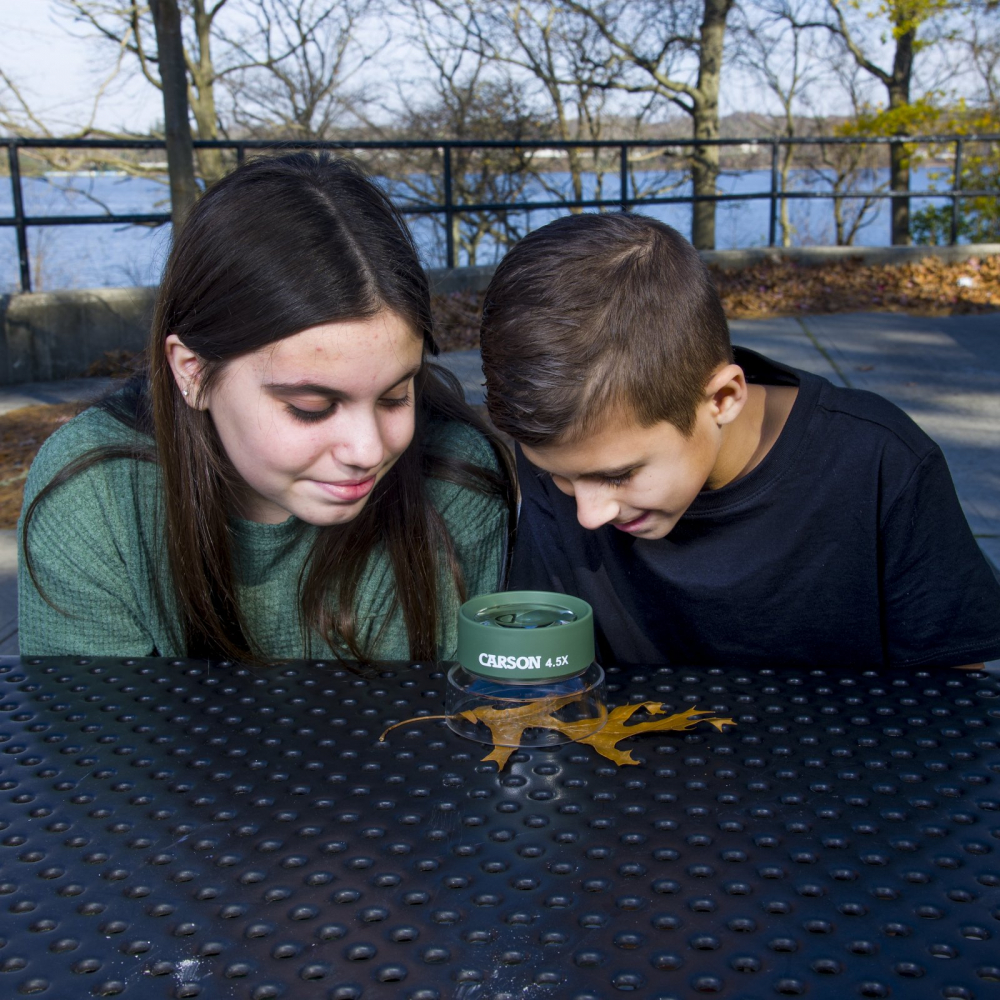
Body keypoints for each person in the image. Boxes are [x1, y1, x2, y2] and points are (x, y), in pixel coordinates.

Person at [19, 152, 514, 661]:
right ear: (192, 372)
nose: (368, 450)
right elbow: (90, 712)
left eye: (395, 397)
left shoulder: (456, 479)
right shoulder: (95, 498)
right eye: (310, 406)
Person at [479, 212, 1000, 670]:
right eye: (558, 477)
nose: (588, 513)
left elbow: (947, 694)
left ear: (724, 398)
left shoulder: (881, 463)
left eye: (619, 475)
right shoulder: (569, 448)